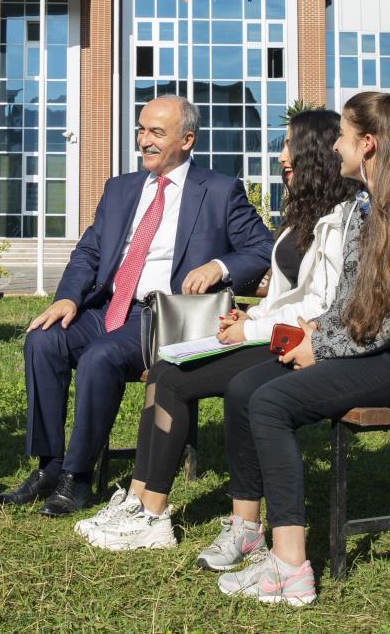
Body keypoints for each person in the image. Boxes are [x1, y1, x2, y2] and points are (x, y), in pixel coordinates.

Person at [213, 91, 390, 607]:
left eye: (344, 137)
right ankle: (251, 533)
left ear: (368, 144)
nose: (335, 146)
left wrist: (325, 346)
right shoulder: (364, 206)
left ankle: (290, 568)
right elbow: (350, 300)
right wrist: (313, 334)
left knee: (272, 402)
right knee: (247, 387)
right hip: (373, 348)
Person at [77, 109, 360, 553]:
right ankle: (141, 501)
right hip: (272, 332)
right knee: (167, 367)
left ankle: (152, 512)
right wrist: (250, 316)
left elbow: (320, 306)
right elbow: (285, 295)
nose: (281, 156)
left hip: (300, 343)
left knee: (182, 377)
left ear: (315, 152)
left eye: (289, 145)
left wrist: (252, 327)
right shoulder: (302, 214)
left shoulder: (343, 219)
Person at [0, 95, 274, 517]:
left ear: (187, 140)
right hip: (108, 307)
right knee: (43, 342)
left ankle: (77, 476)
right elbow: (89, 251)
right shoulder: (121, 189)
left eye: (156, 132)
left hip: (162, 318)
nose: (144, 140)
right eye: (141, 130)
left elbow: (263, 247)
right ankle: (49, 466)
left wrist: (218, 266)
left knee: (100, 358)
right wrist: (67, 297)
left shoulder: (218, 191)